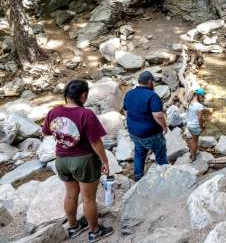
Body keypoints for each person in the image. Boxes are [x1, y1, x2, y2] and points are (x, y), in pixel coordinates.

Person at [42, 80, 113, 242]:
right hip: (83, 161)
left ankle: (73, 227)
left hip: (61, 159)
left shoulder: (53, 112)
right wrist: (105, 161)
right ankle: (95, 232)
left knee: (71, 195)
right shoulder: (86, 114)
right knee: (88, 199)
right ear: (83, 95)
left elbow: (46, 132)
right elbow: (95, 142)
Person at [123, 71, 169, 181]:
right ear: (149, 81)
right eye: (152, 81)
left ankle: (138, 177)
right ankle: (163, 177)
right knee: (160, 152)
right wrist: (164, 127)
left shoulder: (129, 93)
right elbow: (158, 115)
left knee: (139, 152)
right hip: (150, 134)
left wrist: (133, 122)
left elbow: (125, 111)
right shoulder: (152, 96)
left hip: (133, 132)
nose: (153, 83)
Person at [187, 87, 211, 161]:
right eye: (202, 96)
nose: (203, 98)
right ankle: (193, 157)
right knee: (195, 141)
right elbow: (200, 118)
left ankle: (192, 153)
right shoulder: (199, 106)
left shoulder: (189, 103)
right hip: (195, 126)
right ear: (198, 95)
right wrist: (202, 127)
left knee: (192, 140)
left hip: (189, 125)